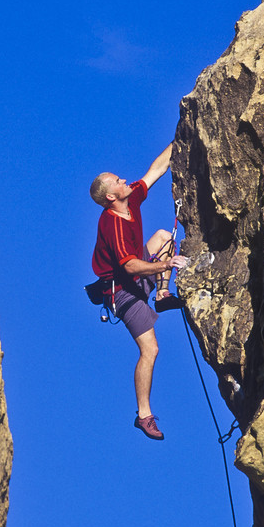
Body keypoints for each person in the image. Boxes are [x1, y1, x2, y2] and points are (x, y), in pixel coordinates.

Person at [90, 142, 188, 441]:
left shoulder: (129, 200)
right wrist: (165, 265)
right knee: (150, 349)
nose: (124, 180)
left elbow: (155, 170)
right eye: (118, 181)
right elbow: (130, 266)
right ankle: (144, 416)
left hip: (136, 277)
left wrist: (179, 136)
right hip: (121, 292)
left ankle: (161, 295)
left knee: (162, 237)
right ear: (110, 196)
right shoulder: (111, 223)